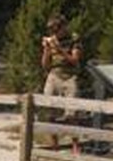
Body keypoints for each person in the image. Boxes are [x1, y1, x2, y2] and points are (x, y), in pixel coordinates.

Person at [40, 15, 84, 152]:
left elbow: (75, 60)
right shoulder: (52, 40)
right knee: (49, 111)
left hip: (69, 76)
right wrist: (47, 50)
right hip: (54, 75)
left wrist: (60, 50)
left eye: (57, 29)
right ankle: (55, 145)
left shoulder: (74, 39)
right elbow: (45, 65)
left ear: (64, 27)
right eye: (52, 30)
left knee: (71, 114)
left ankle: (75, 145)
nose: (54, 33)